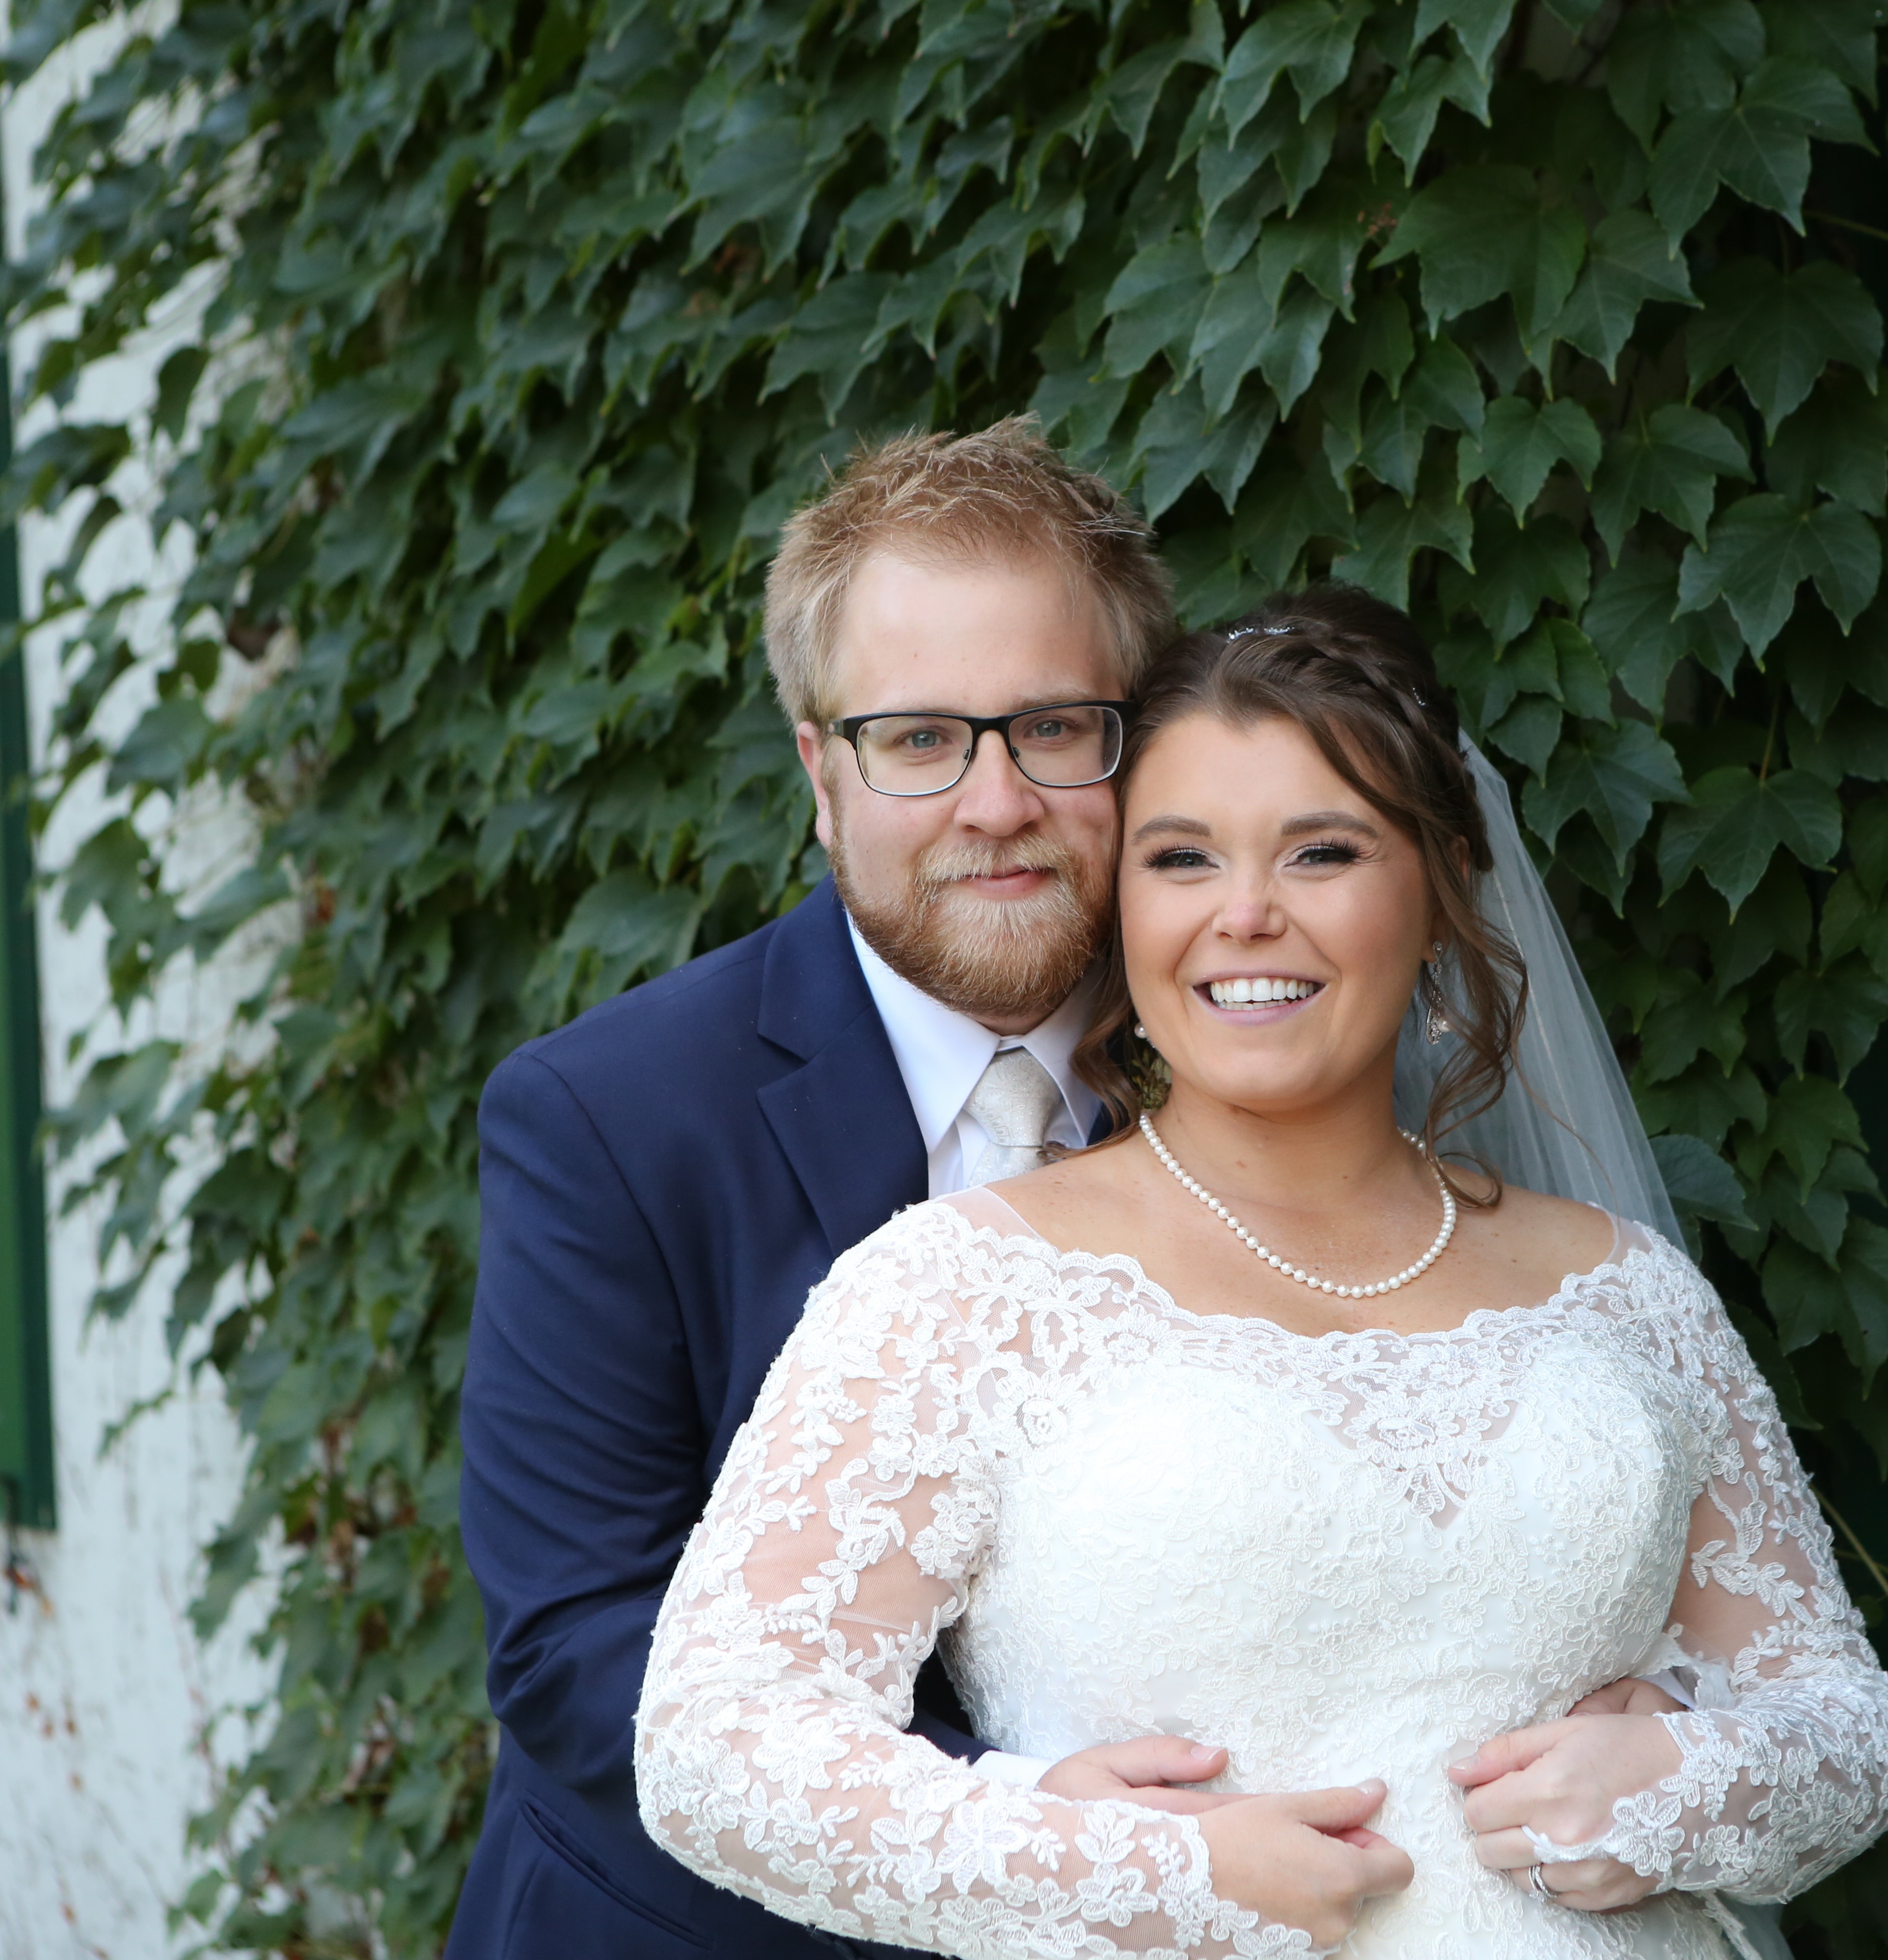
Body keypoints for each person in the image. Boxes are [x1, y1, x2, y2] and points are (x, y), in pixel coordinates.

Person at [630, 588, 1888, 1956]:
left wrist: (1685, 1786)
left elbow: (1843, 1720)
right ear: (1121, 904)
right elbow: (716, 1746)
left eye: (1322, 853)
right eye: (1182, 859)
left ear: (1441, 885)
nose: (1246, 915)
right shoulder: (963, 1291)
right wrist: (1130, 1868)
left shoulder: (1624, 1289)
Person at [451, 421, 1283, 1959]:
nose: (996, 802)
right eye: (918, 739)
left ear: (1139, 746)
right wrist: (1015, 1828)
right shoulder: (609, 1118)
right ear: (822, 777)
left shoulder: (1262, 1056)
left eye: (1053, 727)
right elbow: (576, 1645)